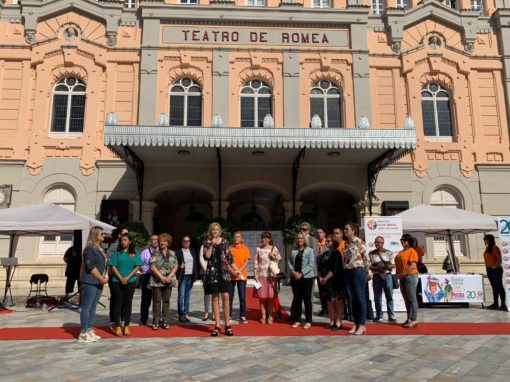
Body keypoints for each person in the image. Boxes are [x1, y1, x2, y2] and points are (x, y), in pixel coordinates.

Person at [203, 222, 241, 337]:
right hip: (213, 274)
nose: (215, 231)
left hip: (224, 273)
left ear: (219, 231)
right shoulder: (207, 243)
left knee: (225, 297)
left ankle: (228, 325)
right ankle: (218, 325)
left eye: (217, 229)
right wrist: (211, 245)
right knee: (215, 298)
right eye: (213, 229)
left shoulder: (225, 241)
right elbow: (207, 257)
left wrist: (236, 269)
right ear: (210, 231)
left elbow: (229, 257)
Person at [78, 226, 108, 343]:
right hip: (90, 281)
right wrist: (101, 278)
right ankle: (83, 332)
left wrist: (104, 277)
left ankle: (89, 329)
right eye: (102, 234)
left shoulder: (100, 249)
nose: (104, 236)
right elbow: (90, 267)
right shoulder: (89, 249)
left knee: (93, 307)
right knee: (87, 307)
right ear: (95, 235)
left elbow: (103, 265)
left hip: (99, 281)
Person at [109, 234, 142, 336]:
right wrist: (121, 278)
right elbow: (113, 266)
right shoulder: (116, 253)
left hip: (130, 281)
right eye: (121, 240)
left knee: (128, 303)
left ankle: (126, 325)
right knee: (118, 303)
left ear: (130, 241)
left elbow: (137, 266)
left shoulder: (134, 253)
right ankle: (117, 326)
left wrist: (127, 277)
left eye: (125, 240)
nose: (123, 242)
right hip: (117, 281)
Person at [343, 222, 369, 335]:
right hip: (348, 271)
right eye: (345, 229)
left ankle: (362, 325)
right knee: (353, 299)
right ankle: (356, 323)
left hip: (358, 271)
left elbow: (366, 258)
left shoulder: (359, 242)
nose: (345, 231)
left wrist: (368, 272)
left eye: (346, 229)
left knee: (360, 298)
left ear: (353, 230)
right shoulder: (346, 243)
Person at [150, 233, 178, 330]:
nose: (162, 243)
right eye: (160, 241)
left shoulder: (172, 253)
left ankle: (165, 320)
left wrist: (170, 276)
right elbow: (152, 266)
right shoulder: (155, 253)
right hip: (157, 281)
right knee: (156, 302)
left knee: (166, 301)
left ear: (168, 243)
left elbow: (176, 265)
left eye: (164, 241)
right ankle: (156, 321)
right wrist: (161, 277)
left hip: (168, 280)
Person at [288, 232, 316, 329]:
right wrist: (294, 272)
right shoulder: (293, 251)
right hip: (295, 277)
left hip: (307, 277)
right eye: (298, 238)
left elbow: (311, 265)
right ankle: (298, 319)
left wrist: (301, 273)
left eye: (301, 238)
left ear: (305, 240)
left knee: (307, 300)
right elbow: (289, 262)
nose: (300, 240)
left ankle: (308, 320)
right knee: (297, 299)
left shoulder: (310, 250)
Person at [253, 231, 282, 324]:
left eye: (265, 238)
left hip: (271, 276)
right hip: (261, 276)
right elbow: (255, 263)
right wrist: (255, 275)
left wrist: (273, 255)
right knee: (262, 298)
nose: (263, 240)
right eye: (262, 238)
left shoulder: (274, 248)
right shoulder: (258, 249)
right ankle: (263, 316)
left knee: (270, 298)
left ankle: (270, 316)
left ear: (269, 239)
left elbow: (279, 259)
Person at [318, 236, 345, 331]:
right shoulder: (325, 253)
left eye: (329, 241)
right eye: (326, 241)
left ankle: (338, 322)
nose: (326, 242)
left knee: (337, 301)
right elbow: (320, 266)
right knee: (329, 302)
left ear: (334, 243)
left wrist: (325, 278)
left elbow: (335, 268)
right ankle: (332, 321)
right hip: (326, 282)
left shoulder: (337, 253)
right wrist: (320, 277)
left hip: (335, 281)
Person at [368, 236, 396, 323]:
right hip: (377, 276)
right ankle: (379, 315)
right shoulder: (371, 253)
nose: (376, 244)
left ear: (382, 243)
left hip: (387, 276)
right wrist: (377, 269)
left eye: (378, 242)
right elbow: (369, 265)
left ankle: (391, 315)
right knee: (377, 297)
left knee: (389, 296)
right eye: (375, 242)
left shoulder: (389, 252)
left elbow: (393, 265)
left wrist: (385, 267)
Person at [396, 234, 419, 328]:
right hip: (402, 277)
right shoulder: (401, 252)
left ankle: (414, 319)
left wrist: (402, 274)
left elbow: (413, 266)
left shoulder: (412, 251)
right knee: (406, 299)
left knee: (412, 298)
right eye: (401, 240)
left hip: (410, 276)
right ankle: (409, 318)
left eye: (404, 240)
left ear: (408, 242)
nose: (402, 241)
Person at [106, 227, 128, 330]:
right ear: (119, 235)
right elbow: (110, 261)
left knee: (124, 299)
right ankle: (113, 321)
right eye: (125, 233)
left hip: (127, 278)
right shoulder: (114, 246)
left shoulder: (130, 246)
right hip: (115, 277)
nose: (127, 235)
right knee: (116, 299)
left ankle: (123, 320)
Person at [176, 235, 199, 322]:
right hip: (182, 277)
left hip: (190, 276)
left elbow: (196, 263)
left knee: (187, 296)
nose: (186, 242)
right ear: (182, 242)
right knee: (181, 295)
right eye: (185, 241)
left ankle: (186, 313)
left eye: (188, 241)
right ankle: (181, 314)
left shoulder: (193, 251)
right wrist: (179, 266)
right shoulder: (178, 252)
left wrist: (195, 275)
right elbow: (174, 264)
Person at [229, 231, 251, 323]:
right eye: (235, 237)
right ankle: (229, 315)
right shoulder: (230, 249)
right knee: (230, 297)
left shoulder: (245, 249)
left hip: (242, 276)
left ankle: (242, 315)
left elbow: (246, 262)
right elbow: (227, 262)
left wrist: (239, 271)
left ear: (241, 238)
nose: (236, 239)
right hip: (231, 276)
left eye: (238, 237)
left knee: (242, 297)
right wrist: (233, 272)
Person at [138, 234, 158, 326]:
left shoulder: (161, 252)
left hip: (158, 278)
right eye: (153, 239)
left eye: (157, 239)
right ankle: (143, 319)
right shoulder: (145, 252)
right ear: (150, 241)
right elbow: (139, 265)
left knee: (157, 300)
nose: (155, 241)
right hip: (147, 276)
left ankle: (156, 319)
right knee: (146, 300)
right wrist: (146, 270)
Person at [483, 234, 507, 311]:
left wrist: (495, 266)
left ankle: (503, 305)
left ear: (489, 239)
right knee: (494, 287)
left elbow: (499, 259)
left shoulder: (494, 247)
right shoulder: (487, 248)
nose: (484, 240)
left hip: (496, 270)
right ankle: (495, 303)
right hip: (489, 269)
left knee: (499, 286)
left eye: (485, 239)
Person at [316, 228, 329, 316]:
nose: (319, 234)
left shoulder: (328, 244)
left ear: (324, 234)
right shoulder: (315, 245)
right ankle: (323, 308)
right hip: (318, 271)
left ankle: (329, 309)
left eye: (320, 232)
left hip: (327, 272)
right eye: (317, 233)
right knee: (321, 291)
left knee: (328, 291)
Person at [198, 245, 211, 321]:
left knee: (215, 293)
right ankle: (206, 312)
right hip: (204, 272)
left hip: (214, 273)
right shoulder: (203, 246)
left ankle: (214, 313)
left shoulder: (215, 245)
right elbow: (201, 259)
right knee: (206, 293)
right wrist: (207, 270)